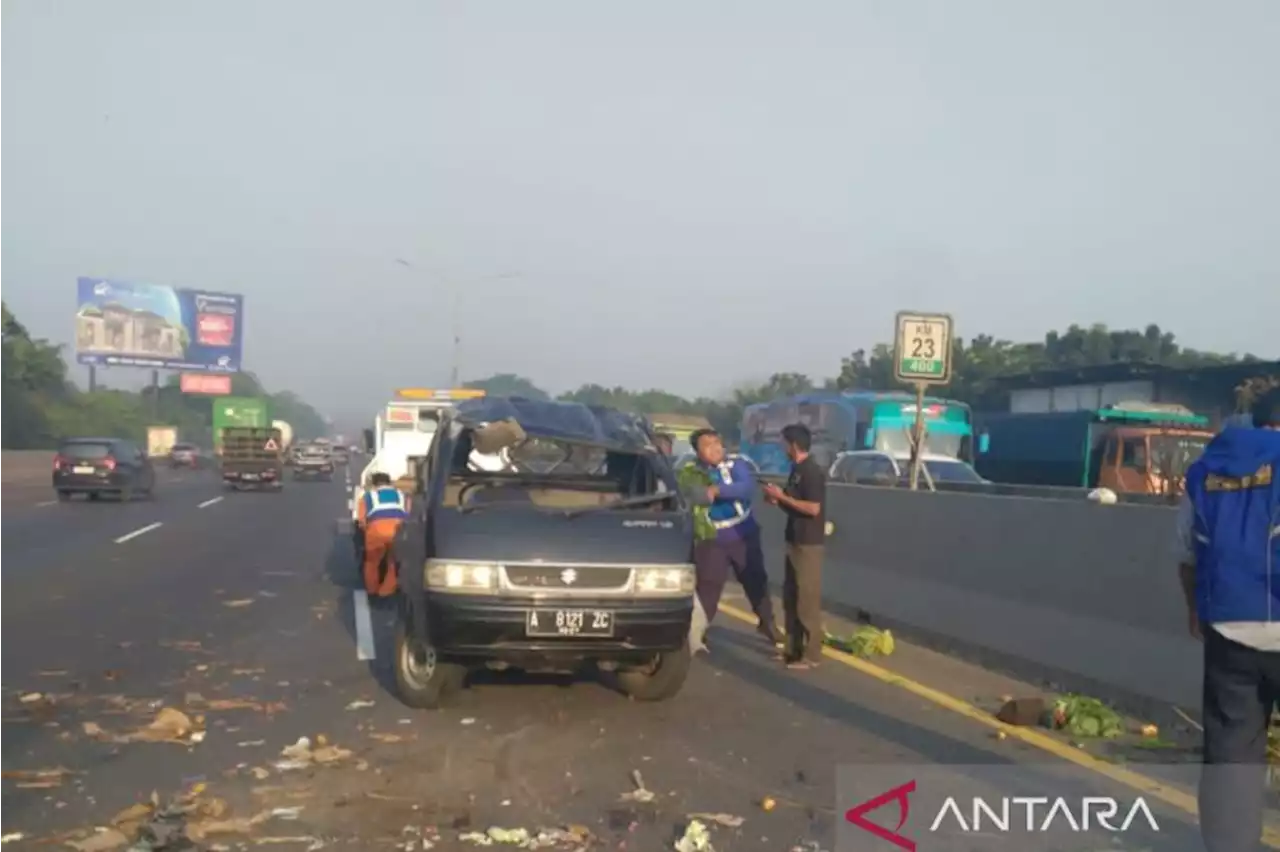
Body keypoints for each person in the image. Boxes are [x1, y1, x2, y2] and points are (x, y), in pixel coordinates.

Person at [1180, 390, 1280, 852]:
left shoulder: (1205, 470)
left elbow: (1186, 553)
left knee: (1232, 748)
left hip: (1228, 624)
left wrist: (1196, 610)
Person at [677, 429, 781, 649]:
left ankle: (768, 623)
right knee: (708, 587)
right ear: (697, 451)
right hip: (712, 538)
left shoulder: (738, 464)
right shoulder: (690, 472)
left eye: (717, 443)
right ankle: (698, 630)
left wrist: (717, 490)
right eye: (707, 445)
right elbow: (690, 495)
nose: (715, 448)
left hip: (743, 533)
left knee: (756, 581)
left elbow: (745, 488)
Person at [762, 423, 827, 670]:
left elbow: (813, 508)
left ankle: (812, 654)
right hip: (793, 537)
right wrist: (775, 498)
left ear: (794, 445)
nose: (781, 448)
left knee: (806, 598)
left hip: (809, 542)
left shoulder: (812, 472)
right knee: (790, 596)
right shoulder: (795, 470)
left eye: (783, 443)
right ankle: (792, 649)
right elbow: (792, 503)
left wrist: (782, 497)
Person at [357, 471, 410, 598]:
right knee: (394, 562)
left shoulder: (368, 496)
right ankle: (386, 591)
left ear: (374, 484)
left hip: (376, 531)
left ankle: (372, 590)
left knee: (372, 562)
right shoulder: (402, 495)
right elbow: (408, 515)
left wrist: (365, 531)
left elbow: (361, 520)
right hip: (397, 531)